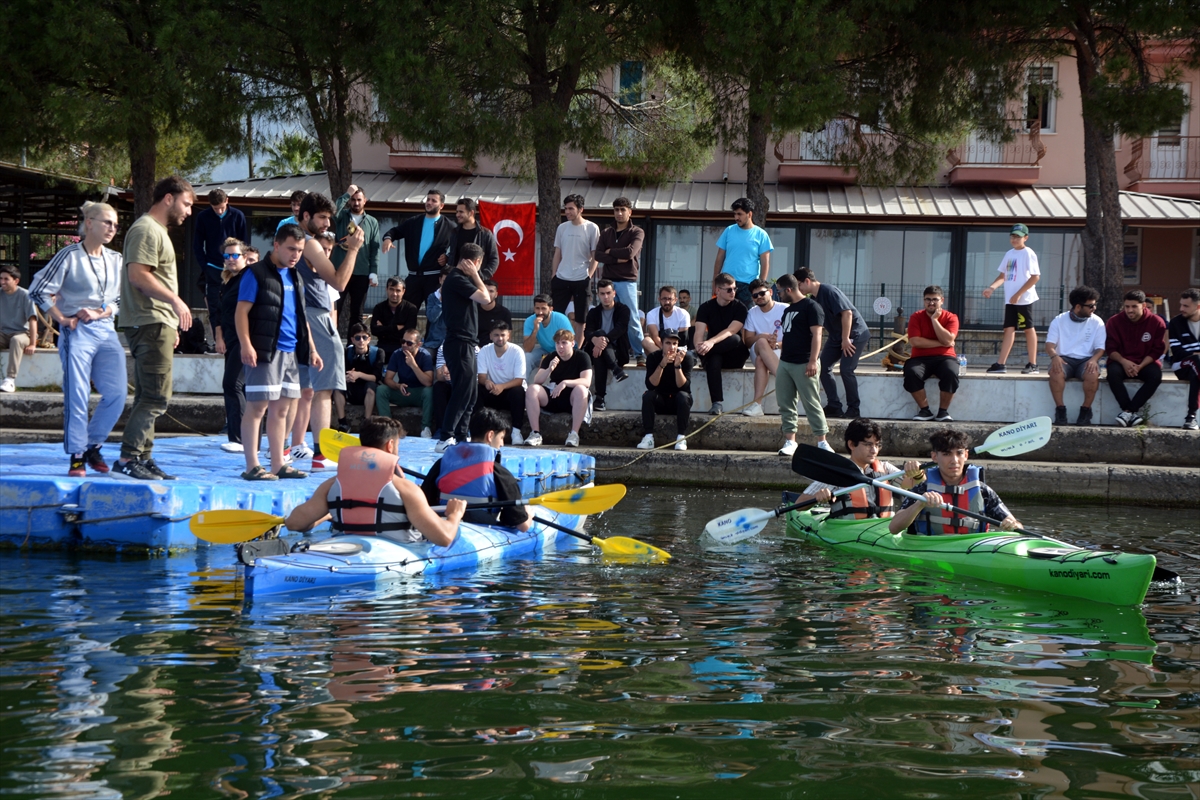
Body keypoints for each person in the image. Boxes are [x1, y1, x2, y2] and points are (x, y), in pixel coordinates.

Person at [27, 202, 125, 475]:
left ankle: (93, 444)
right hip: (77, 331)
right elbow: (37, 290)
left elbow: (118, 300)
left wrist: (102, 311)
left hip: (105, 328)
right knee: (78, 394)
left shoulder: (116, 259)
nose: (112, 229)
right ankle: (77, 454)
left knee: (117, 394)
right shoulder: (69, 255)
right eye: (107, 222)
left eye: (115, 224)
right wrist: (61, 318)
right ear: (89, 223)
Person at [115, 175, 195, 480]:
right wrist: (175, 301)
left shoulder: (156, 230)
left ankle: (143, 457)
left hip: (156, 322)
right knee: (156, 397)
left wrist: (171, 323)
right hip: (148, 321)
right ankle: (128, 458)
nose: (188, 211)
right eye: (186, 203)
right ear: (168, 198)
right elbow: (138, 276)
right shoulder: (147, 229)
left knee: (149, 394)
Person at [283, 416, 466, 547]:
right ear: (390, 445)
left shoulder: (332, 485)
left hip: (342, 554)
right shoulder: (406, 489)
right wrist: (454, 514)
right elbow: (444, 538)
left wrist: (328, 514)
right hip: (393, 562)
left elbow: (293, 523)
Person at [235, 223, 324, 481]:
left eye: (299, 250)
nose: (295, 255)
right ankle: (252, 465)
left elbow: (300, 315)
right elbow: (241, 311)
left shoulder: (295, 275)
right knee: (257, 408)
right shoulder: (256, 273)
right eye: (290, 249)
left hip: (291, 352)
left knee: (283, 410)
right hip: (265, 351)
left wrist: (313, 350)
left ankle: (278, 463)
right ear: (276, 245)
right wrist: (246, 344)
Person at [289, 192, 364, 470]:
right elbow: (339, 283)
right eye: (322, 217)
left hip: (297, 316)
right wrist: (355, 249)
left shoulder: (291, 236)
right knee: (324, 389)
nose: (327, 224)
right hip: (315, 315)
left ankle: (289, 447)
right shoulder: (309, 244)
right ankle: (321, 455)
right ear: (306, 215)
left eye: (329, 218)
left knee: (302, 389)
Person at [889, 428, 1021, 535]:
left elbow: (1016, 525)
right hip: (930, 548)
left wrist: (1012, 524)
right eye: (947, 454)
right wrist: (919, 503)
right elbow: (894, 528)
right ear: (934, 456)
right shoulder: (923, 489)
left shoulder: (983, 491)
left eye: (959, 453)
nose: (954, 460)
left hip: (971, 548)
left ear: (966, 455)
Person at [420, 406, 532, 530]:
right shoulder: (500, 474)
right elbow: (522, 526)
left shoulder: (442, 464)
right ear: (490, 436)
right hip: (482, 527)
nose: (502, 444)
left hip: (444, 523)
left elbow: (424, 504)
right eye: (501, 438)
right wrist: (529, 512)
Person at [794, 418, 922, 516]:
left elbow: (912, 483)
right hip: (848, 529)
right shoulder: (837, 471)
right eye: (868, 445)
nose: (874, 451)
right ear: (852, 444)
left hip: (884, 527)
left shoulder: (885, 468)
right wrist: (817, 497)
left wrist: (917, 472)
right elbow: (798, 505)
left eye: (877, 445)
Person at [434, 242, 492, 452]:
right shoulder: (457, 279)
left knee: (470, 393)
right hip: (458, 342)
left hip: (466, 343)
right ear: (474, 262)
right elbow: (486, 299)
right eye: (479, 264)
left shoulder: (461, 280)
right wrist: (476, 276)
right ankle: (445, 437)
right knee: (461, 391)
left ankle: (461, 434)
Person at [795, 267, 872, 419]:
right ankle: (834, 406)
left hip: (854, 334)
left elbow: (847, 313)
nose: (798, 289)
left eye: (799, 285)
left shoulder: (829, 291)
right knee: (823, 367)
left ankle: (854, 408)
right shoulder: (814, 300)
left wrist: (845, 339)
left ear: (807, 281)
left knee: (846, 369)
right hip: (836, 337)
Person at [774, 273, 831, 456]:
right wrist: (777, 345)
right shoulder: (788, 310)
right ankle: (790, 441)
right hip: (786, 362)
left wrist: (813, 360)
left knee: (811, 402)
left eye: (779, 291)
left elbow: (817, 335)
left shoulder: (812, 307)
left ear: (788, 289)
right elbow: (791, 335)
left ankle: (822, 442)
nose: (778, 295)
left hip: (805, 362)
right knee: (785, 403)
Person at [381, 188, 456, 313]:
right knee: (406, 313)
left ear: (441, 205)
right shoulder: (413, 222)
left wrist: (447, 257)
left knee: (433, 316)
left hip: (434, 278)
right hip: (413, 278)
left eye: (433, 201)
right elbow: (394, 231)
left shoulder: (450, 226)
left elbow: (457, 247)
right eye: (428, 199)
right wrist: (388, 239)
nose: (429, 202)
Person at [983, 223, 1041, 374]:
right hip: (1010, 299)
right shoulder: (1009, 254)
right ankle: (1001, 364)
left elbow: (1035, 277)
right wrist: (992, 288)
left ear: (1025, 238)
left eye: (1018, 237)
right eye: (1013, 236)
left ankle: (1033, 364)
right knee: (1008, 329)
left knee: (1028, 328)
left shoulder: (1028, 253)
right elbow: (1003, 276)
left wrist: (1019, 294)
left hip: (1024, 299)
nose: (1014, 239)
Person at [594, 197, 646, 365]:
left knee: (631, 318)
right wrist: (617, 258)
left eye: (623, 209)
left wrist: (610, 252)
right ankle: (610, 352)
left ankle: (639, 353)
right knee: (608, 318)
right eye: (616, 209)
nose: (619, 213)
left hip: (627, 281)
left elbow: (630, 253)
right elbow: (598, 255)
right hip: (607, 281)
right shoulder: (606, 233)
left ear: (630, 212)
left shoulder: (637, 232)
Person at [1105, 289, 1168, 427]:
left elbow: (1158, 349)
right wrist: (1124, 362)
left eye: (1134, 306)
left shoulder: (1156, 322)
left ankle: (1128, 411)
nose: (1129, 310)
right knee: (1112, 373)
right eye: (1127, 306)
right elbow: (1110, 349)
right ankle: (1130, 412)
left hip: (1145, 362)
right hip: (1121, 361)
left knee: (1155, 376)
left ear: (1144, 306)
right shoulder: (1114, 321)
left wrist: (1141, 366)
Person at [1045, 285, 1105, 426]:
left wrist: (1094, 360)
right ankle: (1060, 410)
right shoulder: (1059, 320)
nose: (1094, 308)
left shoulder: (1097, 322)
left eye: (1095, 305)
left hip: (1086, 360)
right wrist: (1054, 357)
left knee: (1092, 373)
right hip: (1064, 359)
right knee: (1055, 371)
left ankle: (1085, 410)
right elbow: (1049, 345)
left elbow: (1100, 348)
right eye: (1091, 306)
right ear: (1078, 307)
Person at [192, 189, 248, 340]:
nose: (219, 211)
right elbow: (197, 245)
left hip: (235, 269)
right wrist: (206, 266)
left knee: (236, 304)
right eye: (215, 208)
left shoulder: (238, 216)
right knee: (214, 306)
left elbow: (244, 244)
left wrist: (241, 264)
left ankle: (235, 339)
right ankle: (218, 341)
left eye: (222, 207)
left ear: (227, 201)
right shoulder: (203, 217)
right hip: (213, 268)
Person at [693, 272, 750, 415]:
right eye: (729, 289)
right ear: (718, 290)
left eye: (735, 289)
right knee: (714, 359)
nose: (733, 292)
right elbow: (699, 333)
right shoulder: (706, 307)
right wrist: (699, 346)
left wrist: (710, 342)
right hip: (714, 354)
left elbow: (732, 331)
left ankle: (696, 355)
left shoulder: (740, 307)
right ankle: (716, 403)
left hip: (733, 354)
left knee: (735, 339)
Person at [524, 328, 592, 448]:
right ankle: (535, 433)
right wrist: (549, 369)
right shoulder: (551, 357)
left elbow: (586, 381)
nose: (560, 347)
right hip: (554, 394)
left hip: (572, 398)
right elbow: (537, 380)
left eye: (564, 343)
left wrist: (565, 382)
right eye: (557, 343)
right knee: (532, 389)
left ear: (572, 343)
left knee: (582, 389)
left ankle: (574, 434)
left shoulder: (582, 356)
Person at [903, 285, 960, 422]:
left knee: (951, 372)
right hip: (920, 358)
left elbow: (948, 339)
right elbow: (915, 341)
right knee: (911, 372)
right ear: (923, 301)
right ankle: (925, 410)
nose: (931, 303)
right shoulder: (916, 317)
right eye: (927, 299)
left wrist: (935, 320)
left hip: (945, 358)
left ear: (942, 300)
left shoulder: (951, 317)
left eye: (935, 299)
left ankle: (943, 412)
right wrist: (942, 343)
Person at [214, 238, 250, 452]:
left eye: (234, 255)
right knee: (235, 386)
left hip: (244, 339)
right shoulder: (227, 281)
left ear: (244, 257)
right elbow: (219, 312)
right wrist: (219, 337)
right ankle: (237, 437)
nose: (230, 259)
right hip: (230, 339)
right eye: (226, 256)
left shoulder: (249, 278)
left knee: (233, 384)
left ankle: (240, 439)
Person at [332, 183, 381, 334]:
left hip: (361, 272)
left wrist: (373, 271)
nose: (356, 203)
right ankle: (331, 342)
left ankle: (353, 347)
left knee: (357, 313)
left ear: (365, 200)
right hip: (340, 270)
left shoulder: (372, 222)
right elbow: (333, 211)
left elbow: (375, 248)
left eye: (359, 199)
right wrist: (346, 194)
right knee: (335, 309)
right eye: (353, 200)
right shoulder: (342, 216)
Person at [551, 194, 600, 342]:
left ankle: (577, 350)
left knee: (581, 319)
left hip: (581, 278)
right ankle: (557, 348)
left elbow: (595, 255)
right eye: (565, 208)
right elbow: (557, 253)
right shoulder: (562, 227)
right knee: (557, 316)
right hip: (561, 277)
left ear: (581, 209)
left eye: (571, 208)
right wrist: (554, 274)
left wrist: (589, 276)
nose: (567, 212)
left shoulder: (592, 228)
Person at [636, 329, 694, 452]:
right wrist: (662, 364)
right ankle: (648, 437)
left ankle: (681, 437)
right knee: (648, 396)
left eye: (675, 344)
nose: (672, 347)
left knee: (684, 396)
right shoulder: (653, 357)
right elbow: (651, 385)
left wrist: (677, 366)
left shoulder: (686, 358)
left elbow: (684, 387)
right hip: (661, 400)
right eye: (668, 343)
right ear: (661, 344)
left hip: (678, 402)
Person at [712, 198, 772, 308]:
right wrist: (715, 281)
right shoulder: (729, 231)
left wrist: (761, 285)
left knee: (747, 319)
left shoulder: (761, 235)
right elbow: (719, 257)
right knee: (724, 317)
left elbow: (765, 262)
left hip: (748, 285)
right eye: (734, 214)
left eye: (739, 214)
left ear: (749, 214)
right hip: (727, 284)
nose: (736, 218)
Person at [376, 328, 435, 438]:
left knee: (429, 391)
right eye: (403, 341)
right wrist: (397, 385)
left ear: (419, 344)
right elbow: (387, 379)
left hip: (419, 393)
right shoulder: (397, 354)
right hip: (402, 392)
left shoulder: (425, 356)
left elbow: (428, 382)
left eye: (409, 343)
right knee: (381, 390)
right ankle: (388, 428)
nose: (404, 345)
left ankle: (425, 428)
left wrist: (413, 365)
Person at [476, 321, 527, 443]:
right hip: (492, 390)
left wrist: (502, 386)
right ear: (491, 336)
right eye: (496, 335)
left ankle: (516, 432)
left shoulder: (517, 351)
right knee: (476, 390)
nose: (500, 338)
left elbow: (519, 380)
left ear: (509, 335)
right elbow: (481, 376)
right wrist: (487, 382)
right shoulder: (484, 351)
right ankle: (478, 432)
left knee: (518, 391)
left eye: (503, 335)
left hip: (509, 392)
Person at [584, 279, 631, 411]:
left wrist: (603, 341)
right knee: (599, 353)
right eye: (602, 293)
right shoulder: (593, 312)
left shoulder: (623, 310)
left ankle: (600, 399)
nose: (605, 297)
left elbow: (620, 328)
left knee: (600, 336)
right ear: (598, 295)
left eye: (608, 293)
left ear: (614, 293)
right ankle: (616, 371)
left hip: (618, 351)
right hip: (597, 351)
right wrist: (596, 341)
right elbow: (587, 331)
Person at [741, 278, 785, 417]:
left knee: (761, 361)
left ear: (770, 292)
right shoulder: (752, 313)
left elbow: (795, 339)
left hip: (780, 350)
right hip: (758, 348)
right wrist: (762, 337)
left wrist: (776, 344)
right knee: (761, 343)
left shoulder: (785, 309)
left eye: (762, 293)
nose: (759, 297)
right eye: (755, 296)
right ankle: (786, 383)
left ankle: (757, 405)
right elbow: (748, 341)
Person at [338, 322, 386, 429]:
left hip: (367, 390)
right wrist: (347, 377)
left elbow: (376, 377)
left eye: (364, 337)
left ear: (369, 339)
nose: (361, 341)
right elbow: (340, 373)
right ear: (352, 339)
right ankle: (343, 423)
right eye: (358, 338)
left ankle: (366, 423)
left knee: (371, 387)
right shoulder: (346, 352)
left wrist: (358, 374)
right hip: (351, 388)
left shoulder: (378, 352)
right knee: (337, 388)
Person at [0, 265, 37, 394]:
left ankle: (10, 379)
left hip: (22, 334)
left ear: (16, 281)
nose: (2, 282)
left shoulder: (25, 295)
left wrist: (32, 343)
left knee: (16, 340)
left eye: (6, 279)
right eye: (1, 279)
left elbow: (33, 320)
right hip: (3, 333)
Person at [1168, 288, 1200, 431]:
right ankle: (1191, 416)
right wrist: (1195, 353)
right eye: (1181, 305)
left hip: (1195, 369)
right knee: (1196, 361)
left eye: (1186, 306)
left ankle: (1191, 417)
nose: (1181, 309)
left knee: (1196, 372)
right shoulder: (1176, 323)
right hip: (1181, 366)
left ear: (1198, 306)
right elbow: (1177, 352)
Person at [523, 293, 573, 377]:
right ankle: (523, 387)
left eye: (543, 308)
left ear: (551, 309)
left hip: (562, 350)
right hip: (544, 350)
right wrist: (535, 330)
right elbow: (528, 349)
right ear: (534, 308)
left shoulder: (561, 319)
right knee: (527, 357)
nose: (540, 312)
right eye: (537, 308)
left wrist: (549, 357)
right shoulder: (529, 321)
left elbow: (570, 342)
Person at [446, 197, 499, 277]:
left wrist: (482, 276)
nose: (457, 215)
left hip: (475, 281)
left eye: (461, 212)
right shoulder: (454, 232)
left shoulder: (485, 233)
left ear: (471, 213)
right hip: (456, 279)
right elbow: (451, 254)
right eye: (457, 212)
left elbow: (494, 259)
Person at [370, 277, 418, 360]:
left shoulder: (411, 309)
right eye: (391, 289)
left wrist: (384, 329)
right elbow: (374, 330)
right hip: (383, 346)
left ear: (403, 291)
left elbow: (408, 333)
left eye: (398, 290)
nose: (394, 293)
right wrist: (396, 327)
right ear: (386, 289)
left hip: (403, 347)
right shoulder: (379, 308)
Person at [642, 285, 691, 354]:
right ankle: (664, 359)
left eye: (670, 299)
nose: (667, 302)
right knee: (646, 341)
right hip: (659, 349)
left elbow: (682, 338)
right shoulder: (651, 314)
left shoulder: (684, 314)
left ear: (675, 300)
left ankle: (667, 360)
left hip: (678, 349)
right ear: (659, 299)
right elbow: (655, 336)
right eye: (664, 299)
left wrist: (672, 350)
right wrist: (665, 352)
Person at [476, 279, 512, 349]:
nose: (488, 294)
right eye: (485, 290)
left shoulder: (504, 312)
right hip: (476, 349)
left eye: (491, 291)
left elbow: (508, 337)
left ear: (496, 294)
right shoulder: (472, 311)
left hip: (497, 349)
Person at [424, 267, 448, 357]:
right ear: (440, 280)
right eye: (445, 280)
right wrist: (440, 301)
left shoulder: (458, 299)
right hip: (433, 343)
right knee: (424, 356)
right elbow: (431, 318)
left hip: (450, 343)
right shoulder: (432, 297)